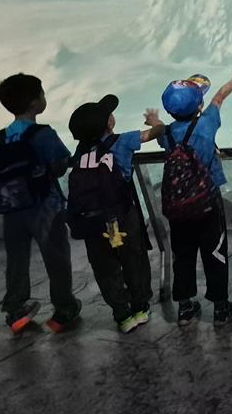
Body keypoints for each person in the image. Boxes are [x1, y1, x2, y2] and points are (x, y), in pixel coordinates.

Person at [67, 95, 164, 334]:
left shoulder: (80, 152)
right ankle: (140, 308)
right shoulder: (122, 140)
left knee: (105, 267)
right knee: (133, 259)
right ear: (108, 123)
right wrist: (155, 121)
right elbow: (157, 133)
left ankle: (122, 315)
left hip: (94, 221)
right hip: (121, 216)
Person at [159, 69, 232, 328]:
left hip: (178, 207)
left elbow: (160, 132)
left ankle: (185, 308)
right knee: (215, 252)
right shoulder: (207, 123)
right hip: (207, 203)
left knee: (182, 255)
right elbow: (219, 97)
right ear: (199, 105)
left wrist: (154, 121)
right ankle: (221, 308)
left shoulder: (167, 133)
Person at [0, 73, 81, 334]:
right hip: (44, 208)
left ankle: (15, 310)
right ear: (34, 102)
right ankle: (64, 307)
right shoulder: (43, 133)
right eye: (42, 93)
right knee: (56, 257)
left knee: (17, 260)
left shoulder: (1, 137)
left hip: (12, 209)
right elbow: (59, 165)